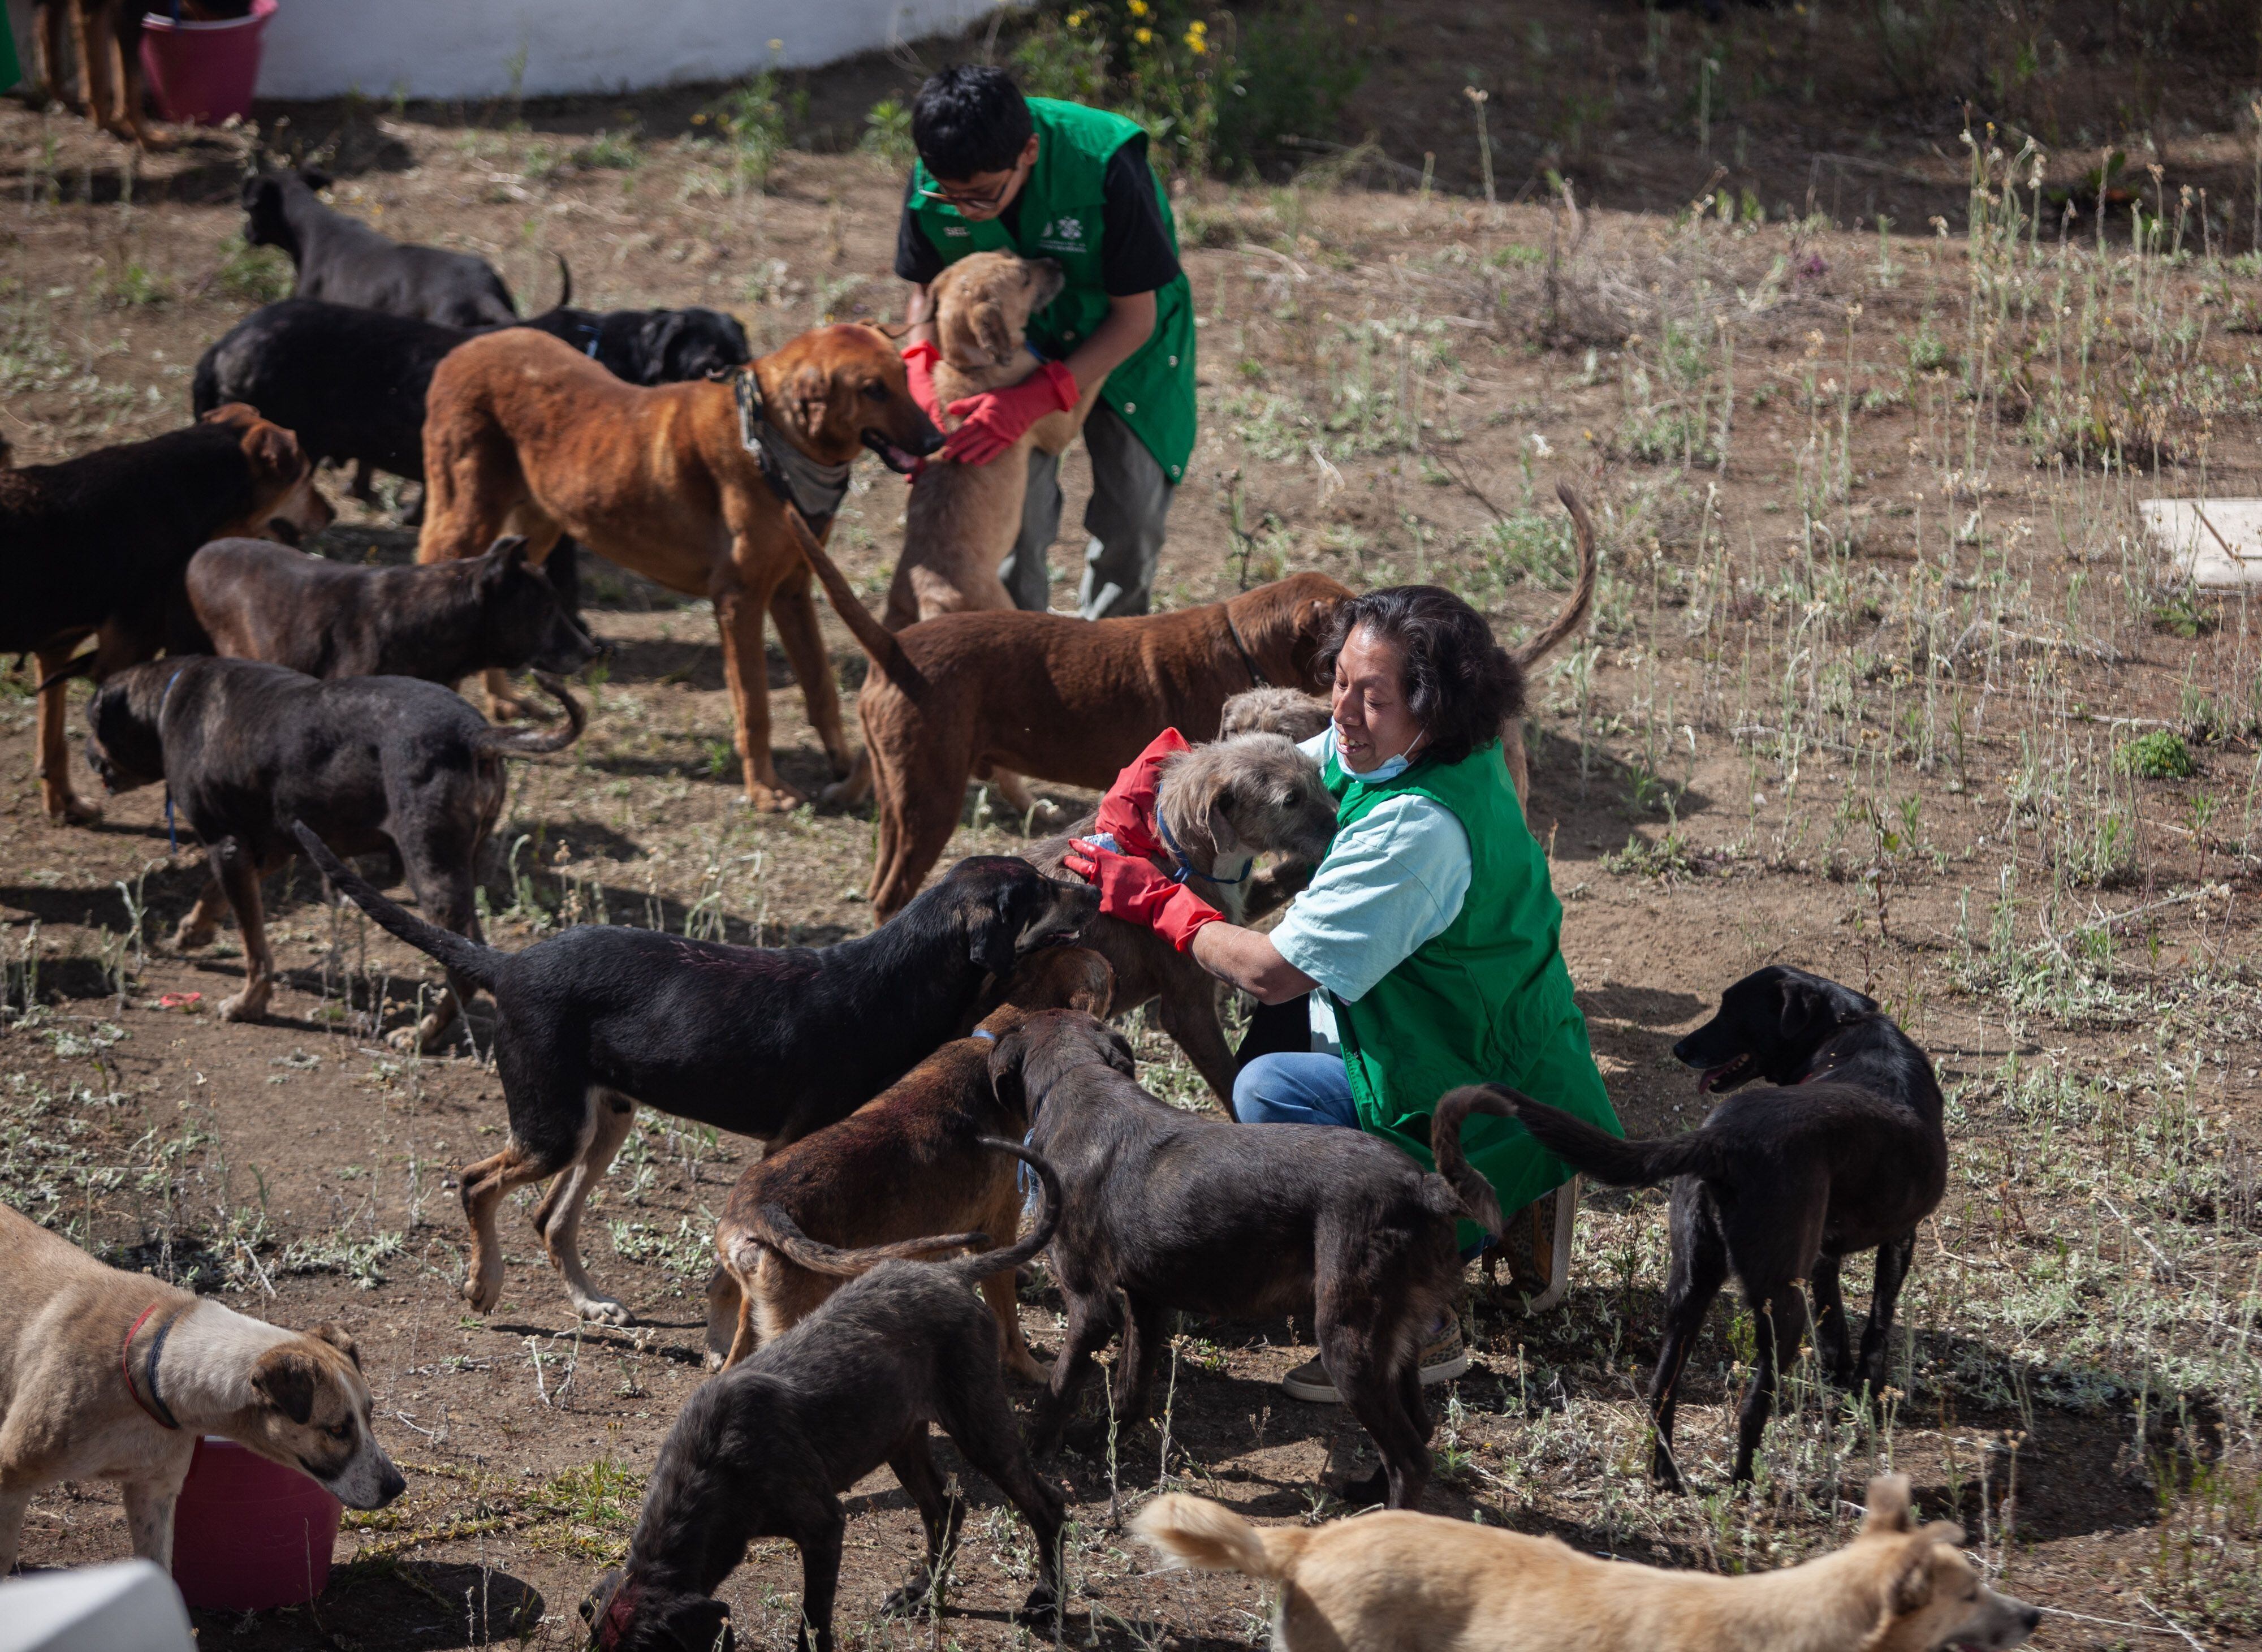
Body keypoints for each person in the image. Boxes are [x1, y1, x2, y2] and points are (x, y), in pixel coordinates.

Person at [1068, 584, 1621, 1400]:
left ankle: (1413, 1313)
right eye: (1339, 683)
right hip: (1486, 1045)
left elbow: (1268, 970)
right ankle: (1520, 1189)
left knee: (1268, 1090)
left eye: (1374, 697)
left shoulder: (1418, 828)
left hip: (1465, 1080)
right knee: (1278, 1041)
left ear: (1432, 704)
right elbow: (1285, 761)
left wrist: (1159, 901)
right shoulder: (1425, 749)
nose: (1345, 713)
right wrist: (1171, 779)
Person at [893, 64, 1195, 619]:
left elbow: (1135, 319)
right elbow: (924, 293)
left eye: (982, 195)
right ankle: (1022, 656)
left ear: (1029, 152)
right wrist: (918, 370)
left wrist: (1035, 398)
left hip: (1126, 344)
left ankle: (1111, 655)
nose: (964, 209)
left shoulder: (1105, 164)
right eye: (949, 195)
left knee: (1131, 520)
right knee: (1013, 525)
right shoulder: (942, 167)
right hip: (1005, 351)